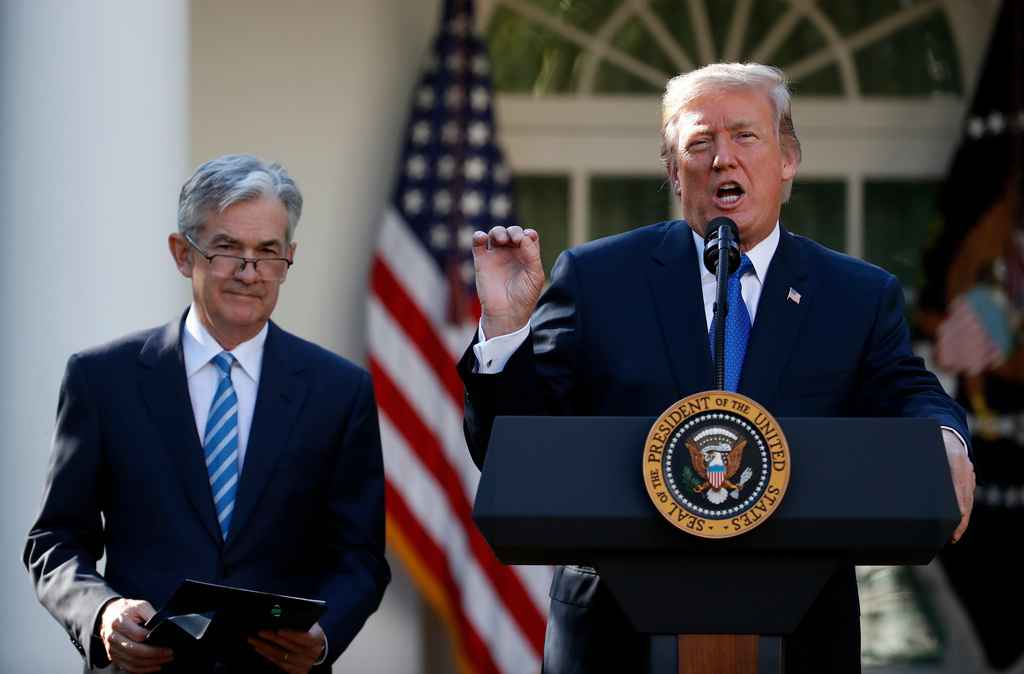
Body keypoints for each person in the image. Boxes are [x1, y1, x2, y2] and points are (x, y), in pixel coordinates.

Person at [457, 63, 976, 673]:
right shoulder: (598, 279)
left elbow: (905, 388)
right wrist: (507, 328)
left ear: (788, 159)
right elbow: (512, 448)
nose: (722, 158)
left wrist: (943, 438)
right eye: (700, 144)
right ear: (676, 174)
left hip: (798, 635)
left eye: (745, 136)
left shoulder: (856, 294)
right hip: (614, 636)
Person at [24, 154, 390, 673]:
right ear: (182, 253)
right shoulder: (102, 378)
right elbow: (55, 541)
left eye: (267, 253)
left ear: (289, 257)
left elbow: (361, 555)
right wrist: (102, 613)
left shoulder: (340, 390)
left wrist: (325, 635)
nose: (249, 272)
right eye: (226, 250)